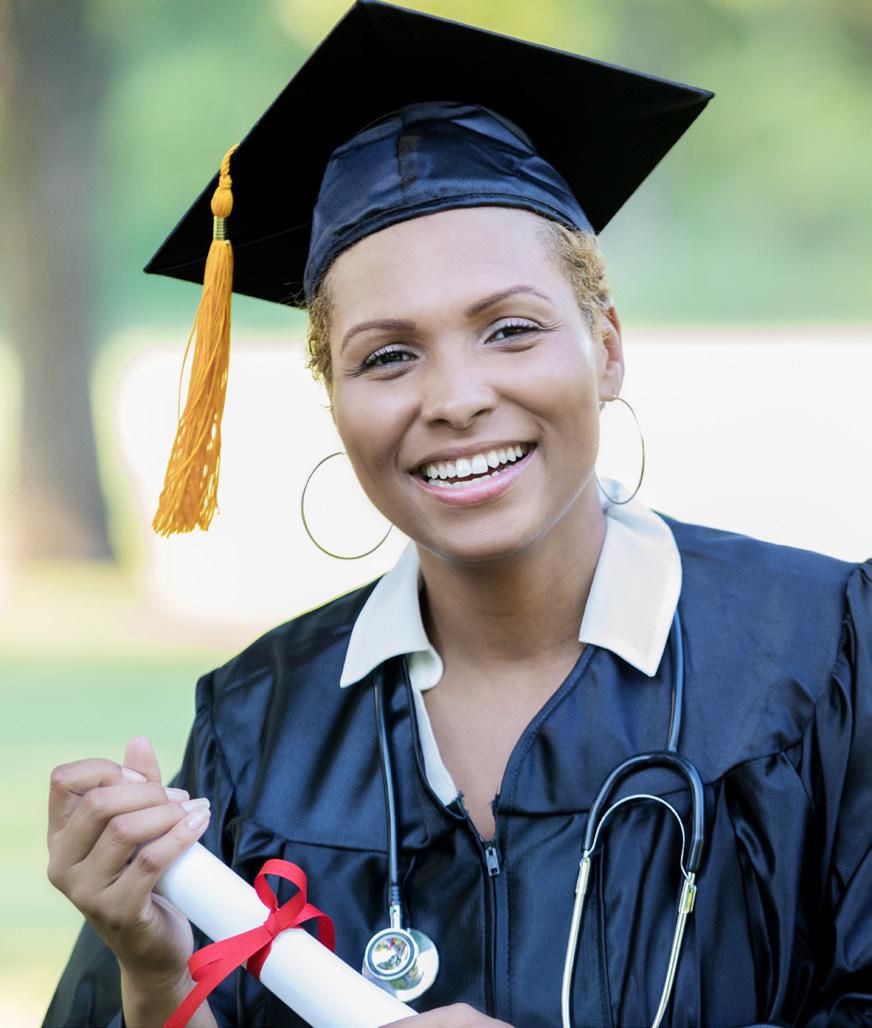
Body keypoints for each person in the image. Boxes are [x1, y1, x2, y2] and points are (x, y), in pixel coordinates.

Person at [44, 3, 871, 1026]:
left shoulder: (825, 657)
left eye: (510, 329)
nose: (455, 396)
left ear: (606, 348)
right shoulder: (261, 732)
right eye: (387, 355)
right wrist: (158, 975)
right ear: (334, 399)